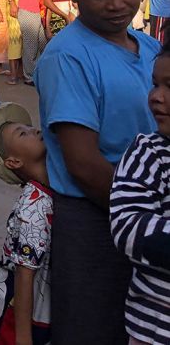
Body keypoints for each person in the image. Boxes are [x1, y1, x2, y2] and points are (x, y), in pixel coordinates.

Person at [35, 0, 159, 345]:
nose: (117, 4)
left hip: (151, 217)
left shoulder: (148, 45)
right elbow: (84, 164)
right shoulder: (67, 55)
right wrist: (141, 216)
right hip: (98, 218)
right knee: (96, 328)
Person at [0, 103, 54, 345]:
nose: (34, 131)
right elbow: (25, 276)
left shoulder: (49, 190)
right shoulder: (35, 205)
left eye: (30, 127)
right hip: (15, 309)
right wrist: (23, 337)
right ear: (14, 162)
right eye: (23, 133)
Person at [110, 45, 170, 345]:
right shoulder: (148, 153)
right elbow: (128, 226)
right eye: (155, 83)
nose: (156, 96)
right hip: (154, 332)